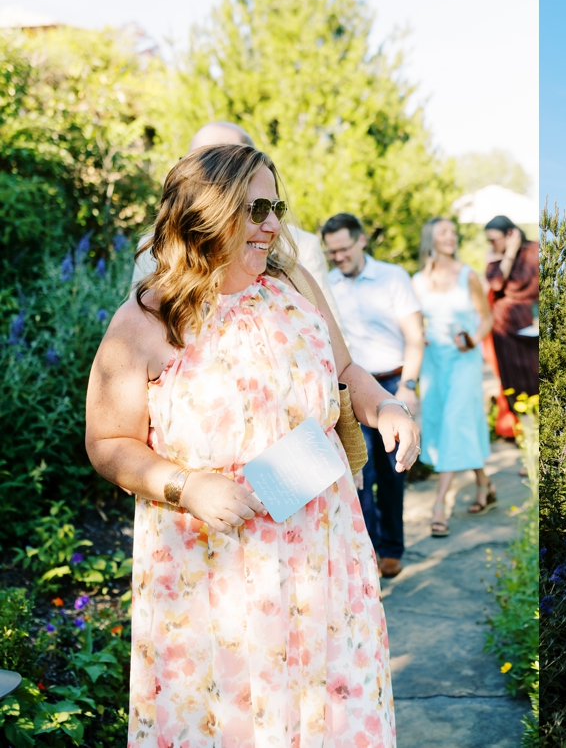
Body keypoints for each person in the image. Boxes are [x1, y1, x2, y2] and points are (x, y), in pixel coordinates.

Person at [85, 145, 418, 746]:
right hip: (212, 570)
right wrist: (187, 486)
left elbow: (347, 370)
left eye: (275, 206)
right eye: (254, 207)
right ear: (205, 214)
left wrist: (387, 406)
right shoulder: (146, 322)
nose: (272, 224)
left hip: (322, 552)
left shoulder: (294, 286)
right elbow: (108, 442)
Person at [130, 121, 344, 327]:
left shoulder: (301, 249)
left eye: (227, 161)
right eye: (200, 162)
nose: (213, 174)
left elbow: (333, 346)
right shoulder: (154, 247)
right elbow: (140, 327)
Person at [322, 213, 424, 579]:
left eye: (344, 248)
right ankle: (369, 551)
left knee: (392, 474)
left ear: (361, 240)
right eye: (331, 251)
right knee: (357, 474)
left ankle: (393, 549)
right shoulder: (326, 284)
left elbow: (415, 337)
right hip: (349, 392)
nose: (338, 257)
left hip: (392, 383)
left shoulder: (393, 278)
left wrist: (407, 390)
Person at [412, 217, 496, 536]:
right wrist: (420, 333)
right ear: (430, 238)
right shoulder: (417, 281)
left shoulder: (467, 275)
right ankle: (484, 485)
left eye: (453, 232)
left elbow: (486, 319)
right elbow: (412, 322)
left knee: (454, 420)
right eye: (443, 232)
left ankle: (439, 507)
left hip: (464, 359)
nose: (451, 237)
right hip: (434, 361)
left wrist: (473, 339)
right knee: (445, 420)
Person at [484, 215, 539, 398]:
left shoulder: (534, 250)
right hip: (505, 329)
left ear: (510, 233)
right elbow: (497, 284)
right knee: (514, 382)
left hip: (530, 323)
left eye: (493, 240)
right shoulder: (495, 257)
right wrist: (507, 255)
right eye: (488, 240)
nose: (491, 244)